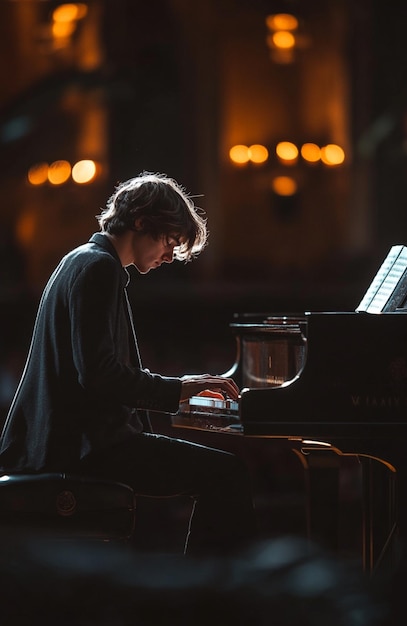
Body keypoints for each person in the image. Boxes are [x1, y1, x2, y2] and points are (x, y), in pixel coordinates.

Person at [0, 171, 257, 556]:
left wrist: (176, 393)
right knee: (227, 474)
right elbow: (99, 374)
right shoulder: (99, 268)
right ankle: (210, 596)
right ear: (140, 222)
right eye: (170, 241)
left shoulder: (81, 260)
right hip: (84, 448)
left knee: (219, 472)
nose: (170, 255)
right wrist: (182, 389)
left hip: (68, 441)